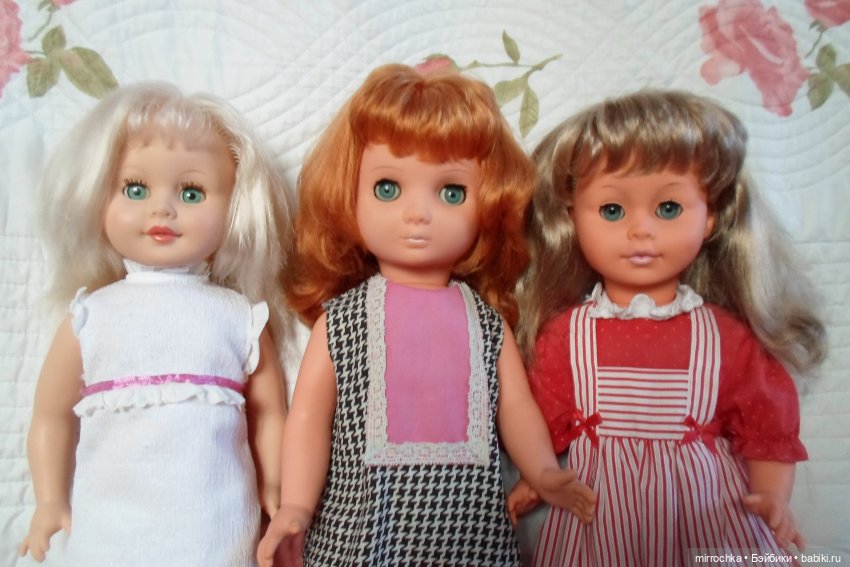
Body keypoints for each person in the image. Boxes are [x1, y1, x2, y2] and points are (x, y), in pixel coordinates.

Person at [257, 63, 596, 567]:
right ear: (348, 194)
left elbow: (516, 409)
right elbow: (309, 417)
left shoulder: (486, 324)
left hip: (467, 523)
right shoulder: (343, 321)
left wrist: (544, 471)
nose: (418, 214)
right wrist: (296, 506)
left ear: (490, 205)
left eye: (451, 192)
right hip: (363, 522)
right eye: (388, 188)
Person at [508, 89, 827, 566]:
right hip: (601, 518)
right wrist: (538, 478)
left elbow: (765, 425)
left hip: (706, 514)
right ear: (573, 219)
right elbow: (539, 421)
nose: (641, 231)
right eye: (612, 210)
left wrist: (771, 496)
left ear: (710, 216)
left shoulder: (727, 337)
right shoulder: (566, 336)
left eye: (669, 209)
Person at [19, 82, 293, 567]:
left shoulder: (238, 316)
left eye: (191, 192)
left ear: (235, 208)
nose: (162, 209)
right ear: (96, 195)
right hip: (110, 526)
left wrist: (274, 485)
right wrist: (50, 499)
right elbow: (51, 415)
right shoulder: (91, 316)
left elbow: (269, 412)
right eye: (135, 189)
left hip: (214, 523)